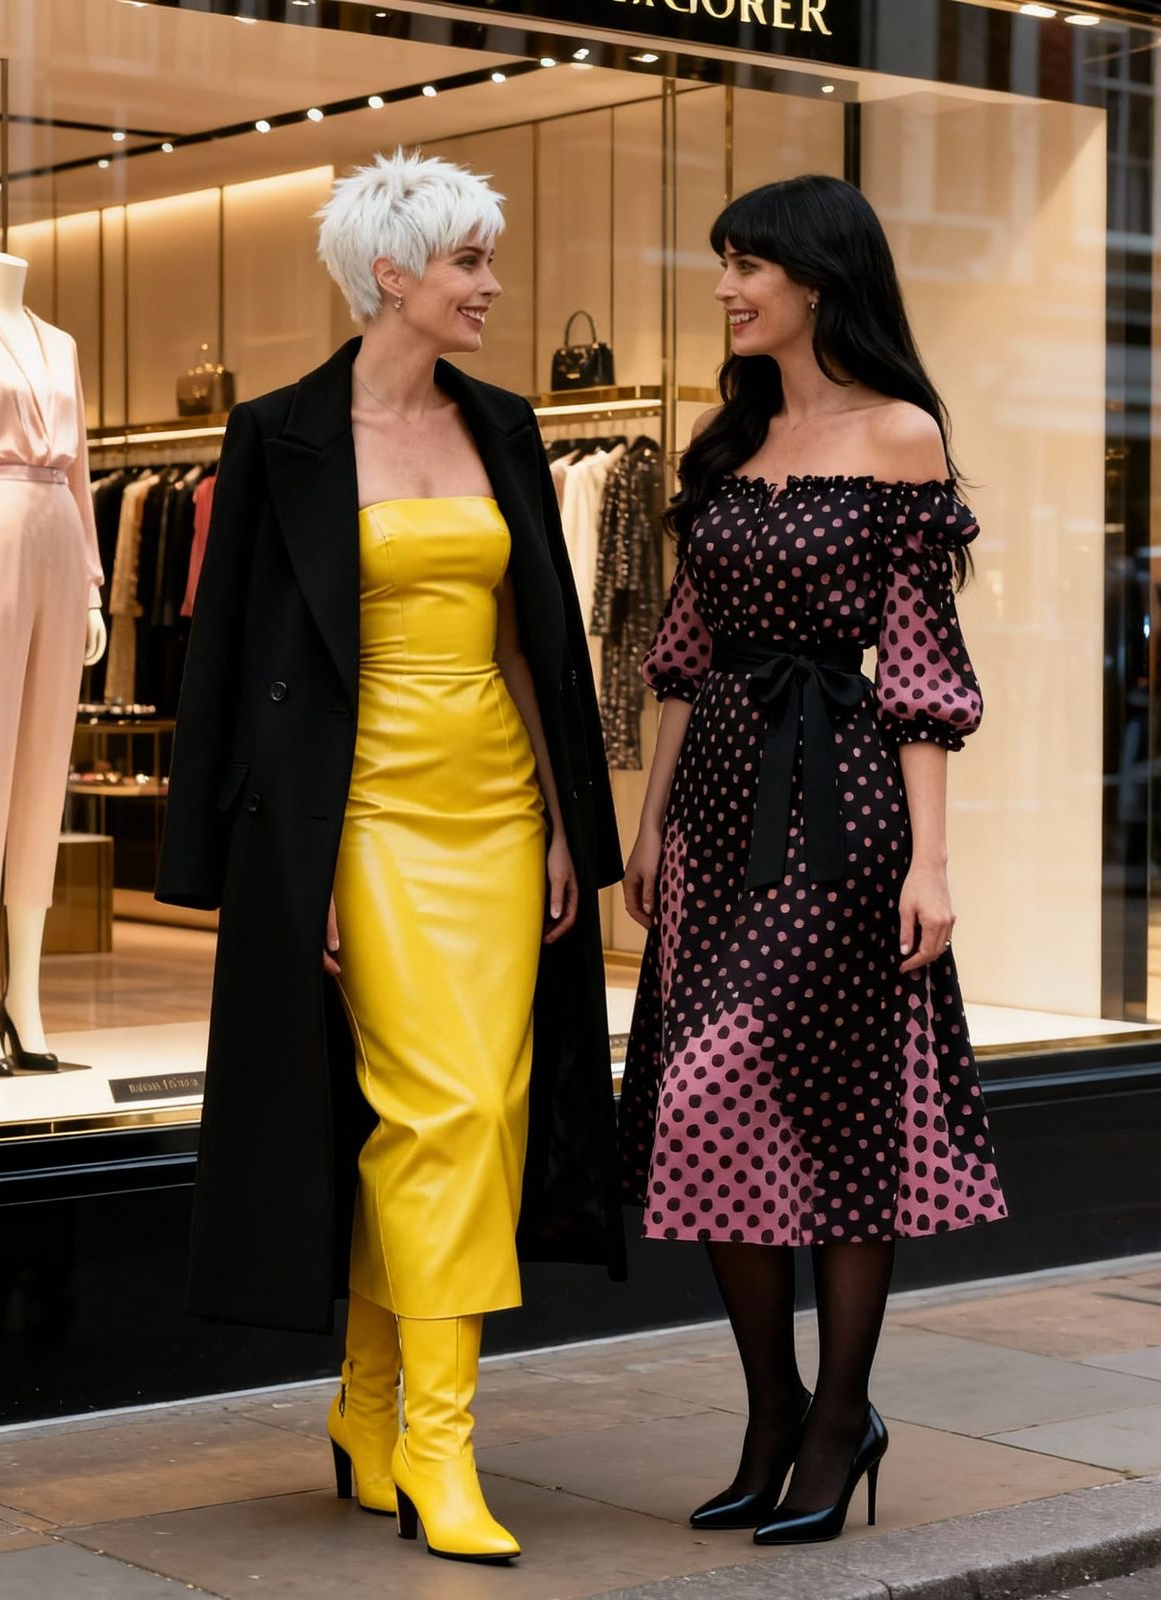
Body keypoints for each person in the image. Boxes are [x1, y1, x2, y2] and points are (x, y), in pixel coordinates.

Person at [156, 149, 625, 1566]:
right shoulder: (277, 435)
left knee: (468, 1107)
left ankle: (374, 1408)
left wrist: (558, 816)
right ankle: (442, 1441)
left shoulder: (505, 423)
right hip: (350, 813)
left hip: (490, 798)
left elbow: (531, 640)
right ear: (391, 276)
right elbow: (225, 664)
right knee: (445, 1113)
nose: (491, 286)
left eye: (486, 259)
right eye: (470, 263)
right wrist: (250, 873)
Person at [617, 174, 1009, 1547]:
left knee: (809, 1102)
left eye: (749, 263)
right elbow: (680, 655)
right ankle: (774, 1411)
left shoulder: (901, 437)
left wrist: (933, 864)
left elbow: (919, 667)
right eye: (723, 262)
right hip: (720, 797)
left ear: (819, 280)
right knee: (708, 1103)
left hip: (841, 809)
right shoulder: (724, 442)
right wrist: (651, 820)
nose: (727, 285)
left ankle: (841, 1416)